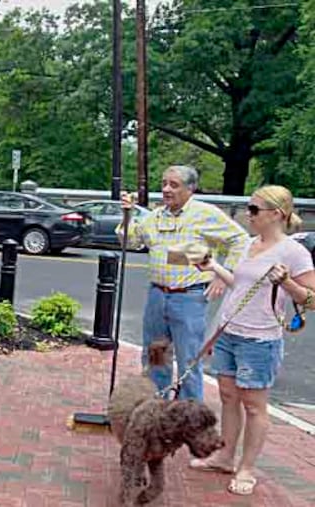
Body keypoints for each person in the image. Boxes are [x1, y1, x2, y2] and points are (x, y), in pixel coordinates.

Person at [189, 185, 315, 496]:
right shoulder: (248, 244)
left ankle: (247, 467)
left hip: (260, 340)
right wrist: (213, 267)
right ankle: (225, 456)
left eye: (255, 210)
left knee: (254, 405)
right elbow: (240, 286)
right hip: (230, 332)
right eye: (249, 207)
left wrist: (286, 282)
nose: (249, 214)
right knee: (229, 397)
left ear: (277, 214)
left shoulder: (293, 251)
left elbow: (311, 299)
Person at [119, 165, 248, 401]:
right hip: (157, 295)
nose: (166, 189)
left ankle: (188, 414)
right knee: (156, 354)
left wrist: (223, 273)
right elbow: (131, 240)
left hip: (189, 297)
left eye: (174, 185)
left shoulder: (205, 213)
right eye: (164, 184)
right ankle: (156, 408)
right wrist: (127, 215)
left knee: (189, 358)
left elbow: (240, 239)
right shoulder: (155, 216)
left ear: (190, 189)